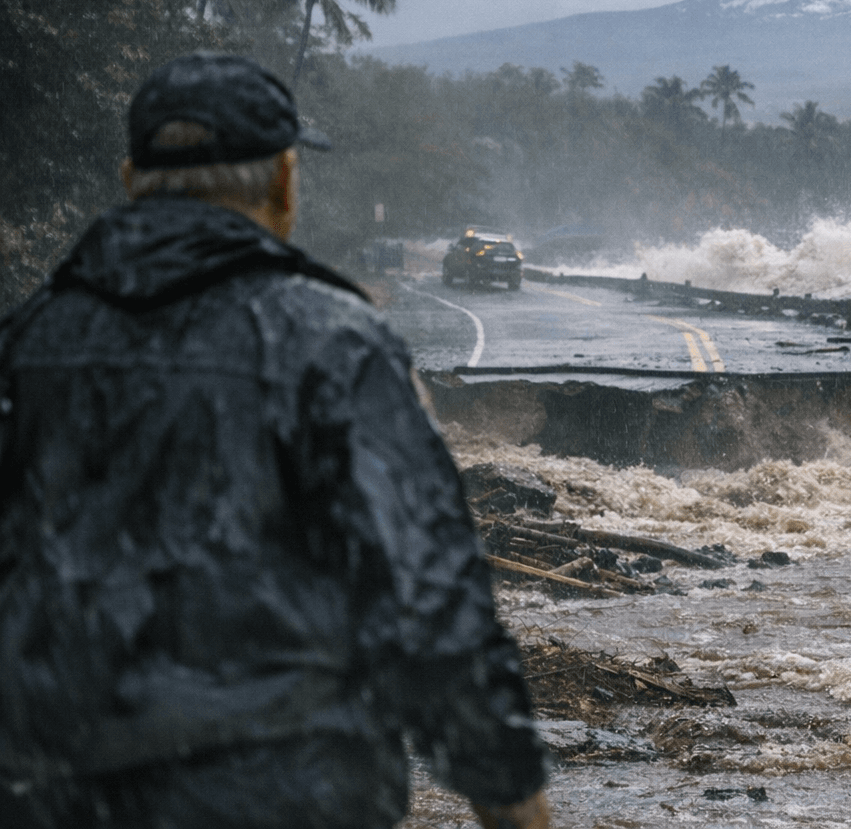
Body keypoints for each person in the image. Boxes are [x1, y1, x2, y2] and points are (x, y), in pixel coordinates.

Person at [0, 54, 550, 828]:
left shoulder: (26, 341)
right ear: (286, 184)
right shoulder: (333, 344)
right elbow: (432, 607)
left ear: (130, 181)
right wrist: (511, 806)